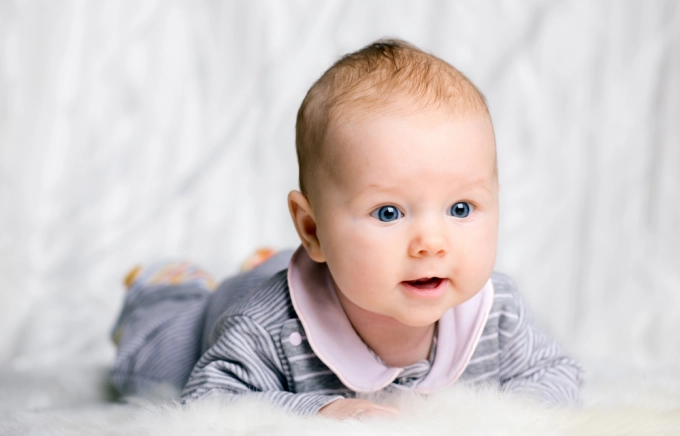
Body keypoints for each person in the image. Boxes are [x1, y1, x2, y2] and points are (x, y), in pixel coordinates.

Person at [110, 39, 583, 419]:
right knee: (150, 366)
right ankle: (167, 288)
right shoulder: (266, 329)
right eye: (388, 213)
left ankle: (268, 260)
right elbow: (211, 400)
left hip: (323, 267)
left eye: (461, 208)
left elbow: (555, 373)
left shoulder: (495, 313)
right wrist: (317, 412)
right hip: (222, 310)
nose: (432, 244)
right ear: (312, 229)